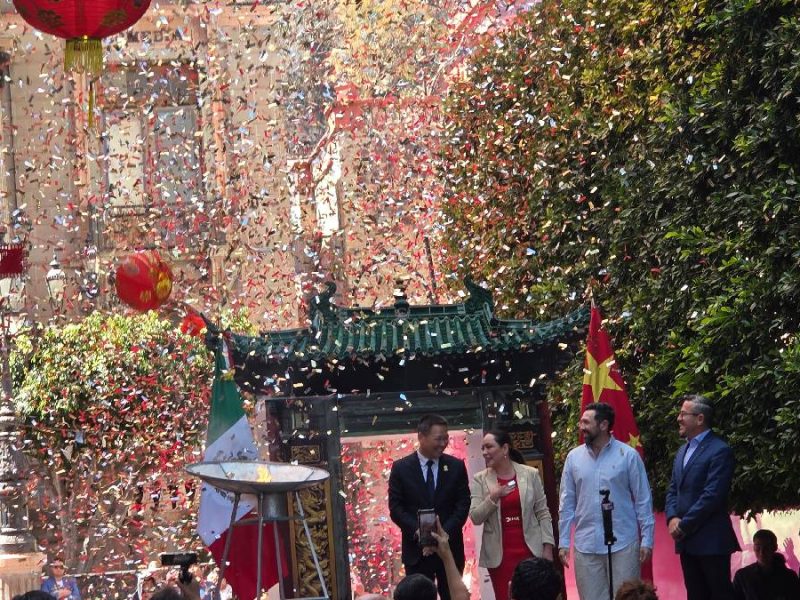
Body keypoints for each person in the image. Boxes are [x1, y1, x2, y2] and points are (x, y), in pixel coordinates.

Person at [558, 402, 655, 600]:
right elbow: (567, 502)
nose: (581, 427)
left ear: (603, 425)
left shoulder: (628, 456)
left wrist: (647, 539)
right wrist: (564, 541)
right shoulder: (573, 458)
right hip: (586, 545)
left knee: (627, 597)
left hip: (623, 543)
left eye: (586, 422)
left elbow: (643, 499)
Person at [388, 414, 470, 600]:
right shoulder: (401, 468)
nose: (443, 443)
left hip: (450, 548)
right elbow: (396, 507)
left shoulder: (456, 466)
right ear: (421, 437)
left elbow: (463, 504)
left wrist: (442, 536)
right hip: (416, 552)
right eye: (438, 438)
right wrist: (419, 533)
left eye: (445, 438)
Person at [666, 394, 739, 600]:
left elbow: (712, 495)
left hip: (711, 541)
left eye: (683, 414)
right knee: (695, 594)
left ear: (699, 419)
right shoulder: (682, 451)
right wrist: (672, 519)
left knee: (719, 594)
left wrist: (683, 525)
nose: (679, 419)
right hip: (687, 542)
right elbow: (673, 489)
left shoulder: (720, 450)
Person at [469, 429, 555, 600]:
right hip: (500, 557)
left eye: (489, 447)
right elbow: (475, 517)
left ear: (505, 449)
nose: (485, 453)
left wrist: (548, 548)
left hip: (531, 550)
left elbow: (543, 513)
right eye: (482, 449)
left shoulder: (530, 474)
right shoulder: (480, 479)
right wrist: (493, 497)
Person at [732, 529, 800, 600]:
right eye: (758, 547)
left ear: (775, 547)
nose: (762, 552)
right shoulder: (741, 576)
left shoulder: (789, 577)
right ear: (754, 547)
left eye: (766, 547)